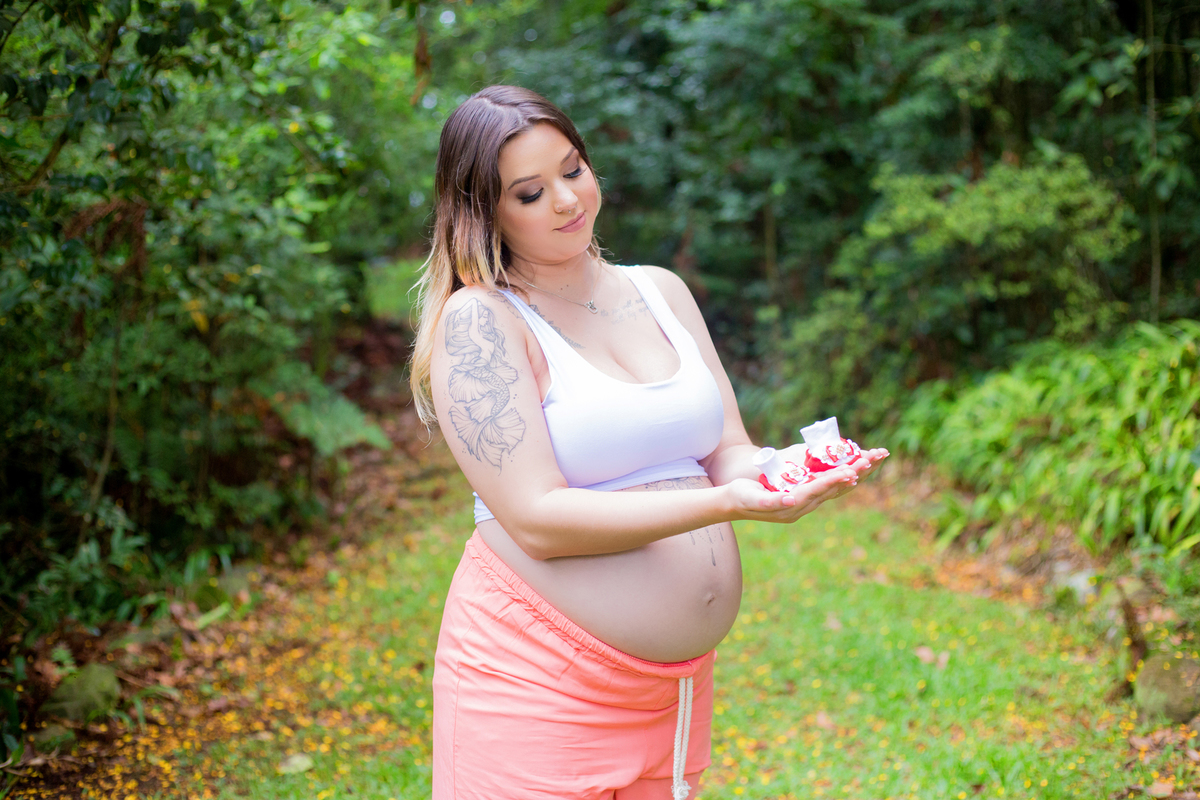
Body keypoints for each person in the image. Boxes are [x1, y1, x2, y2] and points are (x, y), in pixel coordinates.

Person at [408, 85, 888, 800]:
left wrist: (784, 468)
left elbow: (727, 449)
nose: (567, 200)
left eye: (573, 170)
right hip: (533, 679)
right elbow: (537, 520)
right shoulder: (482, 322)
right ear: (483, 211)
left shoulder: (661, 290)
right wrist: (726, 504)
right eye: (530, 193)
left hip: (671, 691)